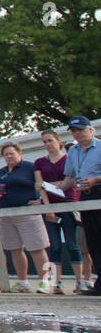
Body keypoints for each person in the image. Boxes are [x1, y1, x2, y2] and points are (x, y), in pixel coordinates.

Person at [0, 142, 51, 293]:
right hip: (6, 214)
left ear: (19, 153)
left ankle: (45, 281)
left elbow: (42, 185)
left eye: (11, 153)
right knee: (15, 249)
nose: (9, 156)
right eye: (6, 154)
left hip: (27, 212)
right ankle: (23, 281)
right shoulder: (2, 172)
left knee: (36, 247)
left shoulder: (30, 167)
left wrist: (41, 201)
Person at [35, 129, 85, 294]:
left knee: (72, 244)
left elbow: (72, 180)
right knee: (55, 245)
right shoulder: (40, 162)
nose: (48, 144)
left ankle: (80, 281)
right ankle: (57, 282)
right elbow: (40, 185)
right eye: (45, 142)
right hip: (50, 206)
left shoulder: (69, 158)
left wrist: (60, 184)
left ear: (58, 141)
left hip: (68, 203)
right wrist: (47, 206)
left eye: (50, 140)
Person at [60, 116, 101, 296]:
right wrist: (51, 189)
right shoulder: (73, 151)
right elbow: (69, 178)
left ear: (90, 130)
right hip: (85, 196)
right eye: (74, 130)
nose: (78, 133)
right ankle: (99, 280)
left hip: (99, 192)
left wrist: (95, 180)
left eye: (81, 130)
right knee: (93, 241)